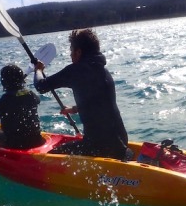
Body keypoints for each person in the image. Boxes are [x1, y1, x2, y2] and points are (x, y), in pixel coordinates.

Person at [33, 28, 129, 160]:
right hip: (121, 140)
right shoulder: (103, 71)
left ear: (78, 52)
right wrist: (73, 109)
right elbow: (98, 102)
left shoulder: (77, 70)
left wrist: (38, 70)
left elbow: (41, 86)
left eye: (71, 51)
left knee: (51, 157)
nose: (71, 55)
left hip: (98, 146)